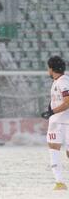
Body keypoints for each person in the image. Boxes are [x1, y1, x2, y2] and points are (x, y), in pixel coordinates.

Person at [41, 56, 69, 190]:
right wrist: (50, 107)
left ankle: (60, 182)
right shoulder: (60, 81)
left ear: (51, 69)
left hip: (59, 122)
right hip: (64, 121)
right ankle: (59, 182)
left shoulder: (63, 82)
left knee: (53, 149)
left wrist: (52, 112)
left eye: (48, 68)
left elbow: (68, 101)